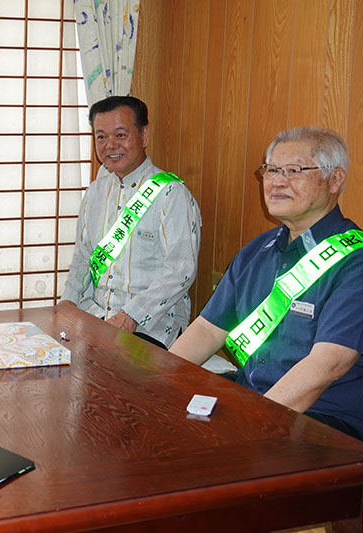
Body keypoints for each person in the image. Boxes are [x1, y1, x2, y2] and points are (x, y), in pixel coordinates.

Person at [170, 126, 363, 440]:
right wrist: (158, 380)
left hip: (323, 421)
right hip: (253, 398)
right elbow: (207, 329)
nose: (277, 181)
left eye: (294, 170)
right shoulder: (257, 251)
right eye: (271, 170)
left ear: (335, 179)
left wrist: (248, 424)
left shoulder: (354, 261)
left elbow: (328, 364)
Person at [59, 96, 201, 349]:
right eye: (101, 137)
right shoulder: (95, 192)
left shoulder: (170, 193)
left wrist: (130, 316)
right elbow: (83, 256)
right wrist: (68, 302)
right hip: (96, 317)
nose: (110, 145)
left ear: (144, 136)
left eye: (120, 135)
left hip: (150, 327)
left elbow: (180, 271)